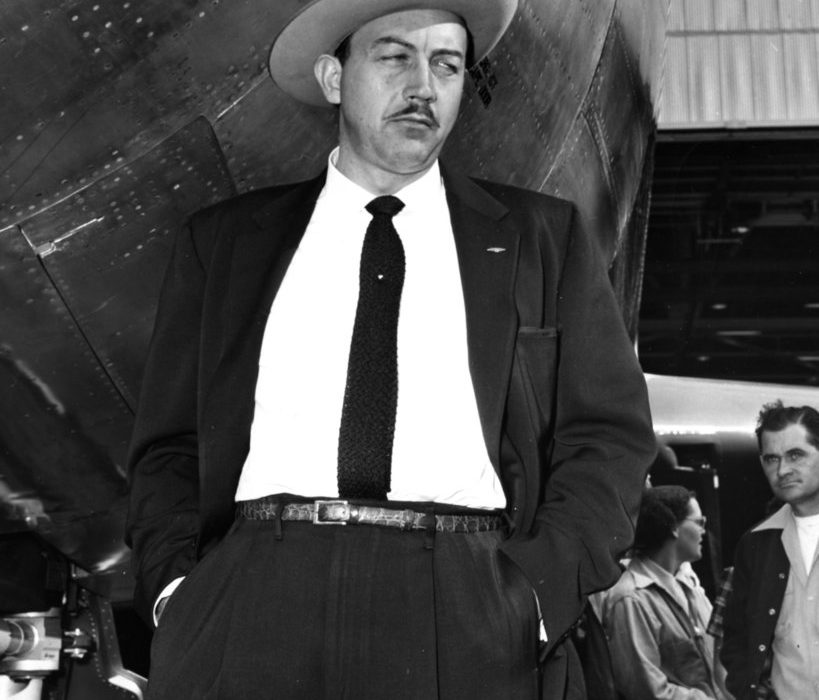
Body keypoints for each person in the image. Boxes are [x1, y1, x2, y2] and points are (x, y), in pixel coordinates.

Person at [125, 1, 657, 697]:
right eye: (395, 57)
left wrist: (534, 597)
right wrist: (177, 594)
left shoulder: (541, 238)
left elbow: (608, 436)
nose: (423, 86)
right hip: (253, 598)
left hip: (464, 604)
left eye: (447, 65)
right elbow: (167, 446)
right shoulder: (225, 243)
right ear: (333, 77)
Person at [722, 401, 819, 699]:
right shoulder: (756, 544)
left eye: (795, 455)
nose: (782, 470)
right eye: (771, 459)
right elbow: (737, 639)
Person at [600, 486, 732, 699]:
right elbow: (646, 691)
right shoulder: (631, 599)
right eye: (699, 522)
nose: (703, 531)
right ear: (673, 527)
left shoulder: (688, 583)